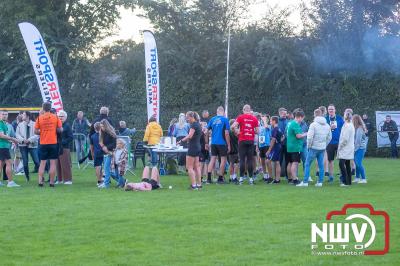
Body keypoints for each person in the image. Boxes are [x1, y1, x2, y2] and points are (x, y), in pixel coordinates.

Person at [297, 109, 331, 187]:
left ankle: (305, 182)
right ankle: (320, 182)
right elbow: (329, 137)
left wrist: (309, 146)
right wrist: (325, 144)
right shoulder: (327, 125)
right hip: (322, 148)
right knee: (321, 165)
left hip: (313, 148)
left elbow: (309, 137)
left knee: (307, 164)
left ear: (315, 115)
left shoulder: (313, 124)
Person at [34, 102, 63, 187]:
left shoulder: (39, 118)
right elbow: (61, 129)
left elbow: (35, 131)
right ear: (50, 108)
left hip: (43, 143)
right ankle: (51, 182)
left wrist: (42, 132)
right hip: (53, 143)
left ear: (43, 108)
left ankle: (40, 182)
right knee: (53, 163)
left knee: (42, 163)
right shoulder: (55, 117)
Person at [231, 104, 258, 185]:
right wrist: (251, 131)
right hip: (250, 141)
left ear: (243, 110)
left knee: (242, 160)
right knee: (250, 160)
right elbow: (257, 131)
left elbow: (232, 127)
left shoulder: (240, 117)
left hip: (242, 140)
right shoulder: (254, 118)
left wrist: (237, 132)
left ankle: (241, 179)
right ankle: (250, 179)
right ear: (250, 110)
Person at [205, 106, 231, 184]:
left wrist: (206, 143)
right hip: (222, 143)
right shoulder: (225, 120)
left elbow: (206, 132)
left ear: (217, 112)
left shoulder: (212, 119)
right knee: (223, 160)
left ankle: (209, 179)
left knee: (212, 159)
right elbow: (226, 133)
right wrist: (229, 144)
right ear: (223, 112)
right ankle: (220, 179)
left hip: (213, 143)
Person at [178, 111, 202, 190]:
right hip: (198, 147)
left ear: (192, 117)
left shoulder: (194, 125)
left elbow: (190, 136)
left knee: (189, 167)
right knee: (197, 166)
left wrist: (181, 141)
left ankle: (193, 185)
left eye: (187, 117)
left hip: (192, 148)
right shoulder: (198, 124)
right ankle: (199, 185)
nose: (186, 119)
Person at [16, 111, 39, 181]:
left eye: (23, 115)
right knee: (25, 163)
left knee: (37, 162)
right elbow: (17, 134)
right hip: (22, 145)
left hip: (33, 145)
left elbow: (38, 134)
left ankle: (41, 176)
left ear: (28, 116)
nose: (22, 116)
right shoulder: (19, 125)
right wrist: (23, 140)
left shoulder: (35, 124)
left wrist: (29, 140)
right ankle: (27, 177)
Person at [285, 110, 307, 185]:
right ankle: (295, 180)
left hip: (289, 146)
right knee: (295, 163)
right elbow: (298, 136)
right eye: (302, 118)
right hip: (295, 146)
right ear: (300, 117)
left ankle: (290, 179)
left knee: (290, 163)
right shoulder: (295, 124)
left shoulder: (290, 123)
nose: (302, 120)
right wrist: (306, 133)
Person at [0, 111, 20, 187]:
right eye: (3, 114)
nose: (4, 116)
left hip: (4, 146)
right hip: (3, 147)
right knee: (9, 163)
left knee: (1, 164)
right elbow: (1, 136)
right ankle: (10, 182)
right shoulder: (1, 123)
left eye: (6, 114)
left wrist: (11, 140)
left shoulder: (4, 124)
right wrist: (13, 139)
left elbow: (4, 136)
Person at [326, 104, 344, 182]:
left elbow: (344, 129)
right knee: (330, 160)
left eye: (332, 109)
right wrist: (330, 128)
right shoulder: (325, 119)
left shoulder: (340, 118)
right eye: (329, 109)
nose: (331, 111)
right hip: (329, 142)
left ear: (335, 110)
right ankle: (331, 177)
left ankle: (341, 176)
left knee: (341, 160)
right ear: (327, 110)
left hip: (339, 142)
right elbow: (323, 130)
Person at [98, 119, 117, 189]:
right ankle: (122, 181)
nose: (101, 128)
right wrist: (103, 147)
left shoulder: (111, 133)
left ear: (106, 126)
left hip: (111, 153)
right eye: (101, 126)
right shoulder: (102, 133)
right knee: (107, 169)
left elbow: (114, 144)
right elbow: (101, 143)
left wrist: (106, 147)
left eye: (103, 126)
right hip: (105, 153)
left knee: (106, 168)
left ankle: (106, 184)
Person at [337, 111, 355, 186]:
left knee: (341, 164)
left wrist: (340, 146)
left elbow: (345, 139)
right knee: (347, 164)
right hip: (349, 147)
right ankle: (349, 181)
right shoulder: (350, 125)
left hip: (345, 148)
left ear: (345, 117)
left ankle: (345, 181)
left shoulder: (347, 125)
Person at [56, 110, 73, 185]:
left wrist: (63, 142)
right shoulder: (57, 125)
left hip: (64, 147)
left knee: (65, 164)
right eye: (59, 116)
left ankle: (68, 180)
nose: (60, 117)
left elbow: (71, 137)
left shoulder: (67, 125)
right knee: (58, 164)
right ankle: (59, 179)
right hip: (57, 147)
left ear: (65, 117)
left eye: (62, 116)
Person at [266, 116, 282, 184]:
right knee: (277, 162)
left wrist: (269, 150)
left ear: (274, 121)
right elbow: (283, 137)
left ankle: (271, 177)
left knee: (267, 161)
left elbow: (273, 140)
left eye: (271, 121)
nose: (270, 122)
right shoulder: (279, 129)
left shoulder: (274, 129)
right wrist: (279, 142)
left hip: (275, 148)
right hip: (278, 146)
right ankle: (277, 179)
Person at [353, 114, 368, 184]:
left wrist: (354, 150)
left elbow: (358, 141)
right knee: (356, 163)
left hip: (360, 148)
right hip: (359, 148)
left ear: (355, 120)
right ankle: (357, 178)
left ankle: (364, 178)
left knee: (358, 163)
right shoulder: (358, 128)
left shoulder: (359, 128)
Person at [258, 114, 272, 182]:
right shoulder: (260, 127)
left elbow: (266, 127)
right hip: (261, 146)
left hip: (267, 145)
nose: (263, 120)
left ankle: (270, 176)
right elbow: (258, 136)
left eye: (265, 119)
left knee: (268, 161)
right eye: (262, 119)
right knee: (262, 161)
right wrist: (257, 146)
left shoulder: (269, 126)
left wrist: (265, 120)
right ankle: (265, 175)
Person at [278, 108, 289, 179]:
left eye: (285, 113)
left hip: (287, 144)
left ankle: (288, 176)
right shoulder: (277, 121)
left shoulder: (288, 122)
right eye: (283, 114)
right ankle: (277, 177)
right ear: (279, 113)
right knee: (279, 160)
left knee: (288, 160)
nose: (285, 115)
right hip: (279, 144)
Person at [228, 119, 239, 184]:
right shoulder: (233, 132)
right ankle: (234, 177)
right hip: (235, 149)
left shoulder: (228, 131)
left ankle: (231, 177)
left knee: (231, 163)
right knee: (236, 163)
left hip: (230, 149)